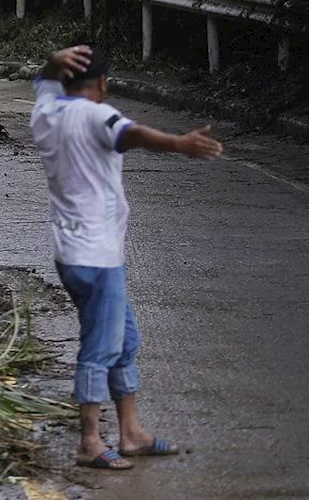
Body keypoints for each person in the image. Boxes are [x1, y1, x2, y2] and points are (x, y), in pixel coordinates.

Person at [31, 44, 224, 471]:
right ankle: (90, 441)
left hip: (73, 254)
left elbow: (43, 82)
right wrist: (180, 143)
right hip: (97, 256)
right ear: (103, 83)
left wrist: (51, 64)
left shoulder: (45, 113)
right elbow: (131, 134)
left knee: (124, 339)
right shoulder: (98, 115)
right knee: (100, 346)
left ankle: (132, 433)